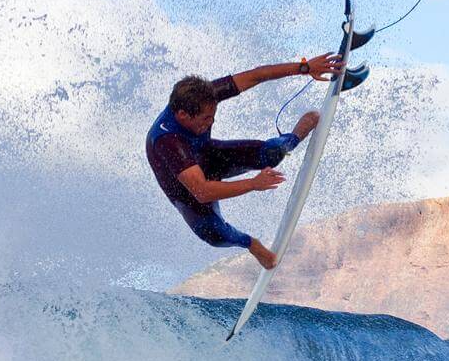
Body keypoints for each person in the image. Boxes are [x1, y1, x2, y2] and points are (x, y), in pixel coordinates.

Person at [146, 54, 345, 268]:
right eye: (206, 119)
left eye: (213, 115)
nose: (211, 122)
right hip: (188, 194)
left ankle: (294, 136)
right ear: (183, 115)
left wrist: (305, 68)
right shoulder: (168, 141)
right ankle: (251, 244)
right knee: (214, 234)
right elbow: (202, 192)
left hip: (208, 157)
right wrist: (253, 184)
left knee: (272, 153)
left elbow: (257, 76)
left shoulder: (202, 96)